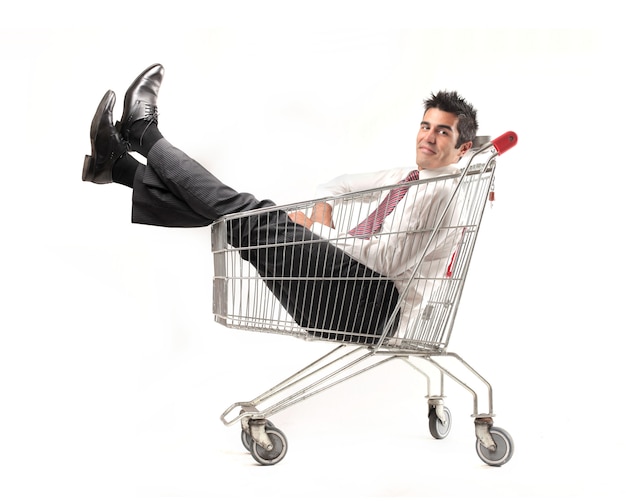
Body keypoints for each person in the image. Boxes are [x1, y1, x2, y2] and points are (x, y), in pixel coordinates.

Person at [82, 64, 477, 344]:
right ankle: (117, 166)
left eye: (443, 132)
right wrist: (322, 212)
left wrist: (316, 231)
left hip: (370, 306)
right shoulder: (405, 178)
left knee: (249, 214)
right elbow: (338, 185)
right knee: (237, 219)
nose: (428, 137)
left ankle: (141, 135)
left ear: (462, 149)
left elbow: (387, 262)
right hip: (352, 290)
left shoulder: (441, 194)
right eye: (425, 126)